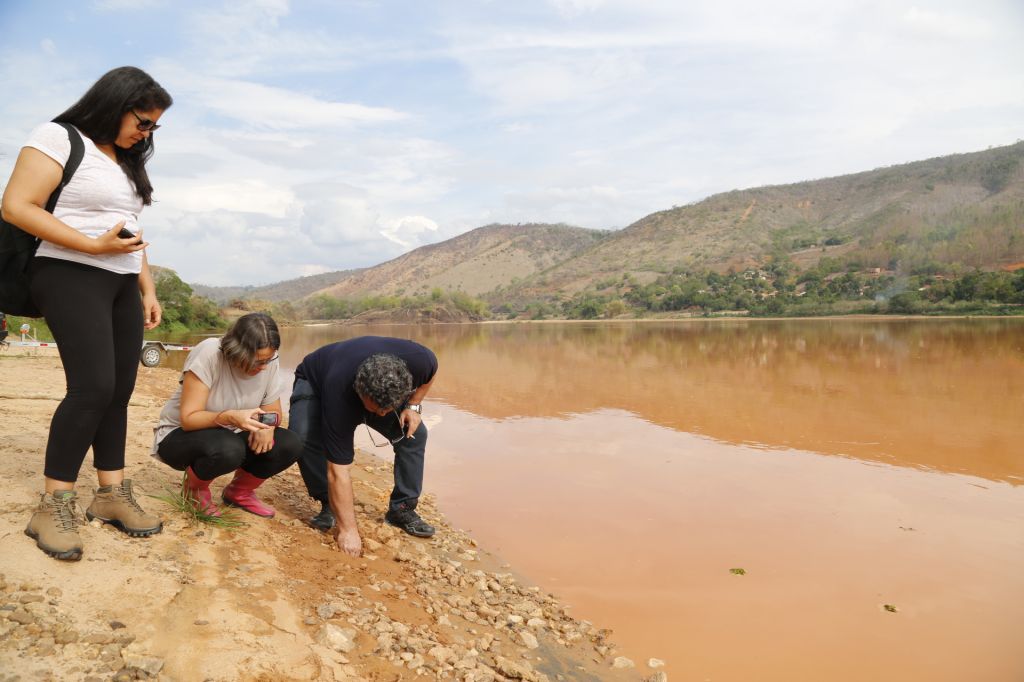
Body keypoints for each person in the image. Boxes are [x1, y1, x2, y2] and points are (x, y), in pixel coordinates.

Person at [1, 66, 172, 561]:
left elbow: (127, 229)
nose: (147, 133)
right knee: (92, 387)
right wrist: (92, 247)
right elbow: (16, 205)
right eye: (143, 122)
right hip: (68, 272)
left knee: (119, 391)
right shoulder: (57, 137)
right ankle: (53, 504)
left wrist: (147, 287)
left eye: (154, 127)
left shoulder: (124, 159)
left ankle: (111, 494)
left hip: (120, 279)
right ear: (114, 104)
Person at [290, 336, 439, 556]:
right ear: (360, 392)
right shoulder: (338, 393)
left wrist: (413, 406)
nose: (382, 415)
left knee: (414, 433)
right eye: (377, 409)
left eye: (387, 409)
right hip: (316, 381)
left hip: (370, 384)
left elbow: (431, 373)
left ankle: (402, 509)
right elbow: (337, 469)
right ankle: (328, 503)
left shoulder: (421, 361)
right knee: (302, 438)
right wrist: (349, 531)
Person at [152, 313, 302, 518]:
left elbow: (274, 412)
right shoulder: (209, 353)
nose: (264, 367)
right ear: (236, 351)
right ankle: (193, 490)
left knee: (288, 443)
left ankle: (239, 492)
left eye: (269, 359)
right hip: (179, 436)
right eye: (258, 361)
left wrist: (267, 427)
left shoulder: (268, 361)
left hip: (230, 434)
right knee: (229, 447)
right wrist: (230, 417)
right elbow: (188, 419)